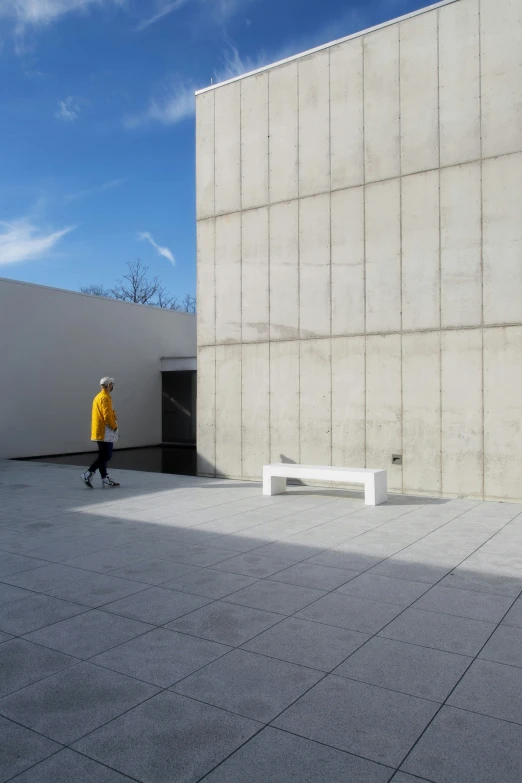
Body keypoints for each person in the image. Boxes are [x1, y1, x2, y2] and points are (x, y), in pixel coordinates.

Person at [81, 377, 120, 488]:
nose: (113, 386)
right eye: (112, 384)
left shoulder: (98, 397)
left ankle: (105, 478)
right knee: (106, 456)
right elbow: (107, 416)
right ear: (109, 385)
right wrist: (115, 427)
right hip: (105, 432)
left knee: (103, 456)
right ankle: (88, 474)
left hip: (99, 431)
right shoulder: (105, 398)